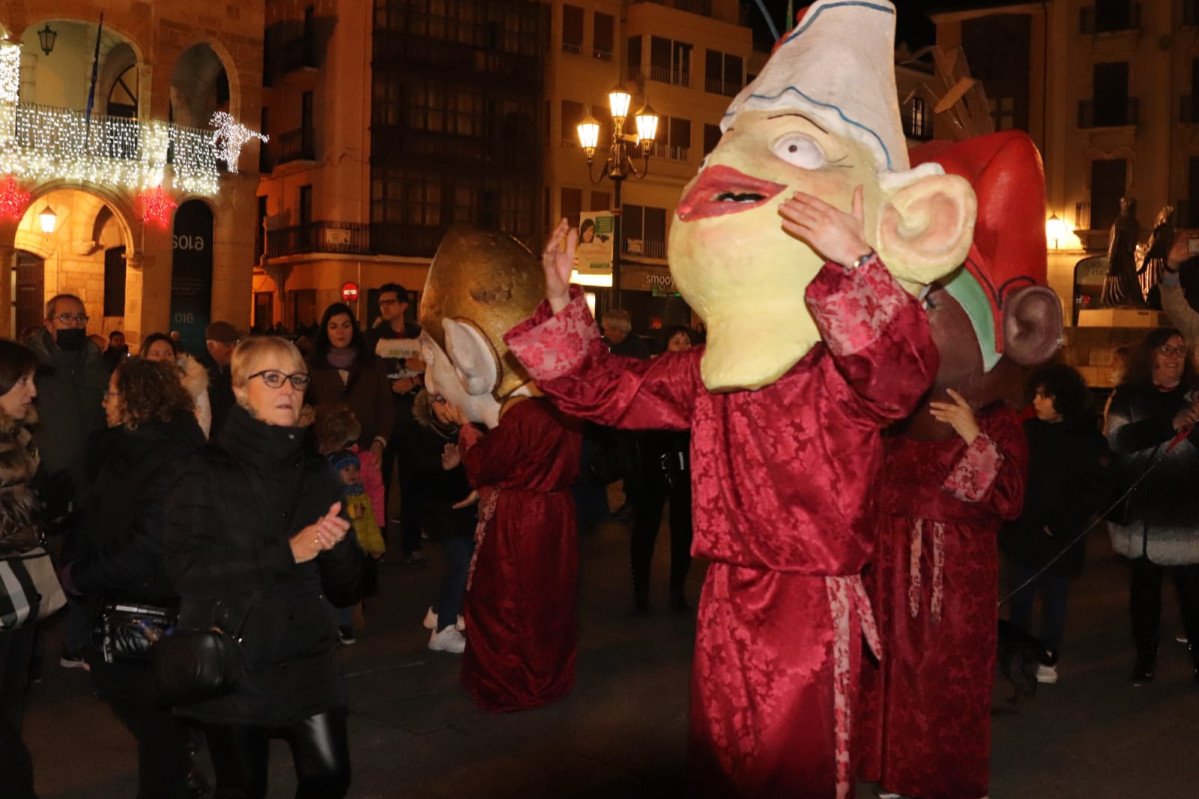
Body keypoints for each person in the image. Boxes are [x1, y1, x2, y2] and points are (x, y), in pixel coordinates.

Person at [505, 3, 979, 792]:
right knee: (723, 755)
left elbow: (898, 376)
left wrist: (854, 260)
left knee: (790, 763)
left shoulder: (838, 364)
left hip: (805, 595)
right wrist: (562, 306)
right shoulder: (711, 370)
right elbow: (607, 393)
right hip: (724, 588)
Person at [165, 336, 366, 798]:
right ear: (239, 390)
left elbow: (347, 588)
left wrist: (337, 548)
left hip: (308, 654)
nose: (289, 390)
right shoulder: (204, 469)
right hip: (237, 654)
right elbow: (184, 570)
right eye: (271, 378)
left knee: (330, 776)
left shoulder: (317, 472)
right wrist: (285, 552)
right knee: (242, 787)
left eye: (296, 379)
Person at [61, 358, 206, 799]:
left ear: (135, 400)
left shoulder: (168, 453)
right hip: (120, 594)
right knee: (147, 708)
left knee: (148, 709)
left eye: (111, 392)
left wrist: (80, 575)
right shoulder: (128, 445)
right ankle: (178, 770)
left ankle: (173, 780)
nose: (104, 400)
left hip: (149, 601)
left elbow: (149, 542)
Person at [1000, 364, 1109, 684]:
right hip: (1022, 531)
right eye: (1035, 393)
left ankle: (1049, 655)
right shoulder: (1029, 431)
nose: (1036, 400)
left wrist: (1064, 524)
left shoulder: (1088, 440)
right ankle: (1017, 653)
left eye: (1044, 396)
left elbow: (1096, 491)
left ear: (1062, 399)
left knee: (1054, 599)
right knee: (1019, 597)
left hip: (1060, 537)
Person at [1105, 328, 1199, 685]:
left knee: (1194, 596)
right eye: (1166, 349)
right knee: (1144, 595)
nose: (1174, 355)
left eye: (1180, 349)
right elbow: (1118, 440)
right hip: (1145, 517)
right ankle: (1145, 657)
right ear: (1151, 355)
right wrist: (1170, 424)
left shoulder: (1195, 395)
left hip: (1189, 515)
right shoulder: (1128, 396)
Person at [24, 294, 110, 668]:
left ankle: (74, 645)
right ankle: (30, 657)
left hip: (88, 483)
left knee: (81, 568)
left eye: (79, 317)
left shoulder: (97, 364)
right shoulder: (33, 366)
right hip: (45, 484)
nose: (74, 324)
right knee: (37, 571)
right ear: (48, 322)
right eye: (65, 317)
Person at [0, 340, 45, 799]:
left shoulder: (17, 437)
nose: (31, 391)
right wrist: (27, 514)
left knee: (10, 706)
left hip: (15, 593)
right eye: (23, 381)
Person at [629, 325, 695, 614]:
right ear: (666, 344)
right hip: (653, 461)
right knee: (645, 529)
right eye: (675, 339)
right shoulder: (653, 372)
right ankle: (640, 594)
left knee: (684, 530)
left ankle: (677, 591)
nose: (681, 344)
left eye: (686, 340)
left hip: (686, 462)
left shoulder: (699, 376)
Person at [365, 283, 427, 565]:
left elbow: (437, 369)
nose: (385, 307)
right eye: (381, 303)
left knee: (413, 483)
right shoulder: (373, 338)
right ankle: (378, 543)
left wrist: (414, 380)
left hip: (415, 417)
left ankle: (412, 544)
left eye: (390, 302)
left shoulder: (420, 335)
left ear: (404, 305)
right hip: (386, 416)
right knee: (380, 482)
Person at [412, 390, 476, 654]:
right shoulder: (421, 436)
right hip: (439, 512)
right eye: (438, 400)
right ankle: (444, 631)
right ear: (428, 406)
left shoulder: (467, 430)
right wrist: (446, 468)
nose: (445, 405)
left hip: (465, 510)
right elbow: (422, 482)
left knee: (464, 562)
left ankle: (438, 611)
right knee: (462, 563)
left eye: (449, 398)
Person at [305, 303, 394, 476]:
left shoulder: (372, 364)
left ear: (354, 328)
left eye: (346, 325)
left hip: (366, 451)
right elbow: (306, 408)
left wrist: (379, 441)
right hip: (325, 454)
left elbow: (385, 407)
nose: (340, 332)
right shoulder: (312, 366)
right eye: (333, 326)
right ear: (326, 330)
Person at [142, 332, 212, 439]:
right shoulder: (136, 387)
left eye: (168, 354)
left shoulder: (194, 385)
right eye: (156, 354)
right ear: (145, 357)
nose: (163, 358)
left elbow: (202, 428)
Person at [196, 320, 240, 438]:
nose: (233, 349)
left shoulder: (235, 370)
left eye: (235, 344)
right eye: (227, 345)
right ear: (210, 346)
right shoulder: (197, 372)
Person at [1101, 195, 1143, 308]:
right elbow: (1131, 245)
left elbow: (1114, 245)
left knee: (1115, 292)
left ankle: (1119, 303)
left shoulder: (1119, 223)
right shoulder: (1135, 223)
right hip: (1128, 262)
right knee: (1130, 285)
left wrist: (1110, 264)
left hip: (1119, 263)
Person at [1138, 204, 1175, 309]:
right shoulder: (1165, 230)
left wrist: (1145, 258)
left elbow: (1153, 248)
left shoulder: (1164, 230)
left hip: (1157, 266)